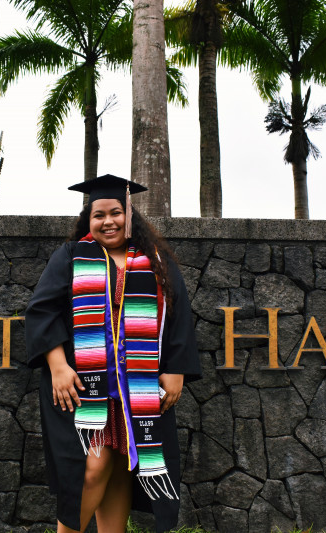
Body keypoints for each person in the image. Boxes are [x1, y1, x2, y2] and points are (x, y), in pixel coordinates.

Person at [25, 174, 201, 533]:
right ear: (88, 221)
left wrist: (176, 369)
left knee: (121, 464)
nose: (108, 221)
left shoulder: (154, 262)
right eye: (99, 215)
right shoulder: (72, 256)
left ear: (130, 215)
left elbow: (178, 313)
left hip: (137, 388)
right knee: (93, 465)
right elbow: (42, 310)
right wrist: (58, 366)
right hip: (82, 386)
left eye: (116, 212)